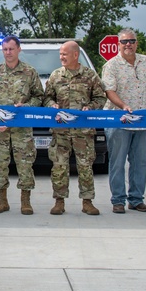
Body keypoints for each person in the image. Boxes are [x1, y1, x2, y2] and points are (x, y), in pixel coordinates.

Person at [0, 34, 44, 215]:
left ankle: (25, 201)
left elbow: (39, 97)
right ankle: (2, 201)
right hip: (0, 129)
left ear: (18, 49)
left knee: (25, 164)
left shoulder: (30, 72)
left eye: (11, 49)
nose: (8, 52)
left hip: (21, 129)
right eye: (5, 49)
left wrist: (26, 107)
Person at [43, 40, 106, 216]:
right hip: (61, 131)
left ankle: (87, 202)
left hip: (83, 132)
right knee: (59, 166)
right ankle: (59, 201)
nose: (61, 57)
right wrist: (52, 105)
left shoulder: (90, 75)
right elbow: (46, 98)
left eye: (65, 54)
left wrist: (91, 107)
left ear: (75, 55)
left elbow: (101, 98)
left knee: (85, 166)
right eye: (60, 54)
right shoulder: (56, 76)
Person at [101, 28, 146, 214]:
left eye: (131, 41)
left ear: (136, 43)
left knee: (140, 162)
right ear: (118, 44)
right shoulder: (111, 65)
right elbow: (109, 91)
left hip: (141, 121)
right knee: (117, 162)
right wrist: (123, 105)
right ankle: (118, 200)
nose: (128, 45)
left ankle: (136, 199)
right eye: (124, 42)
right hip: (119, 121)